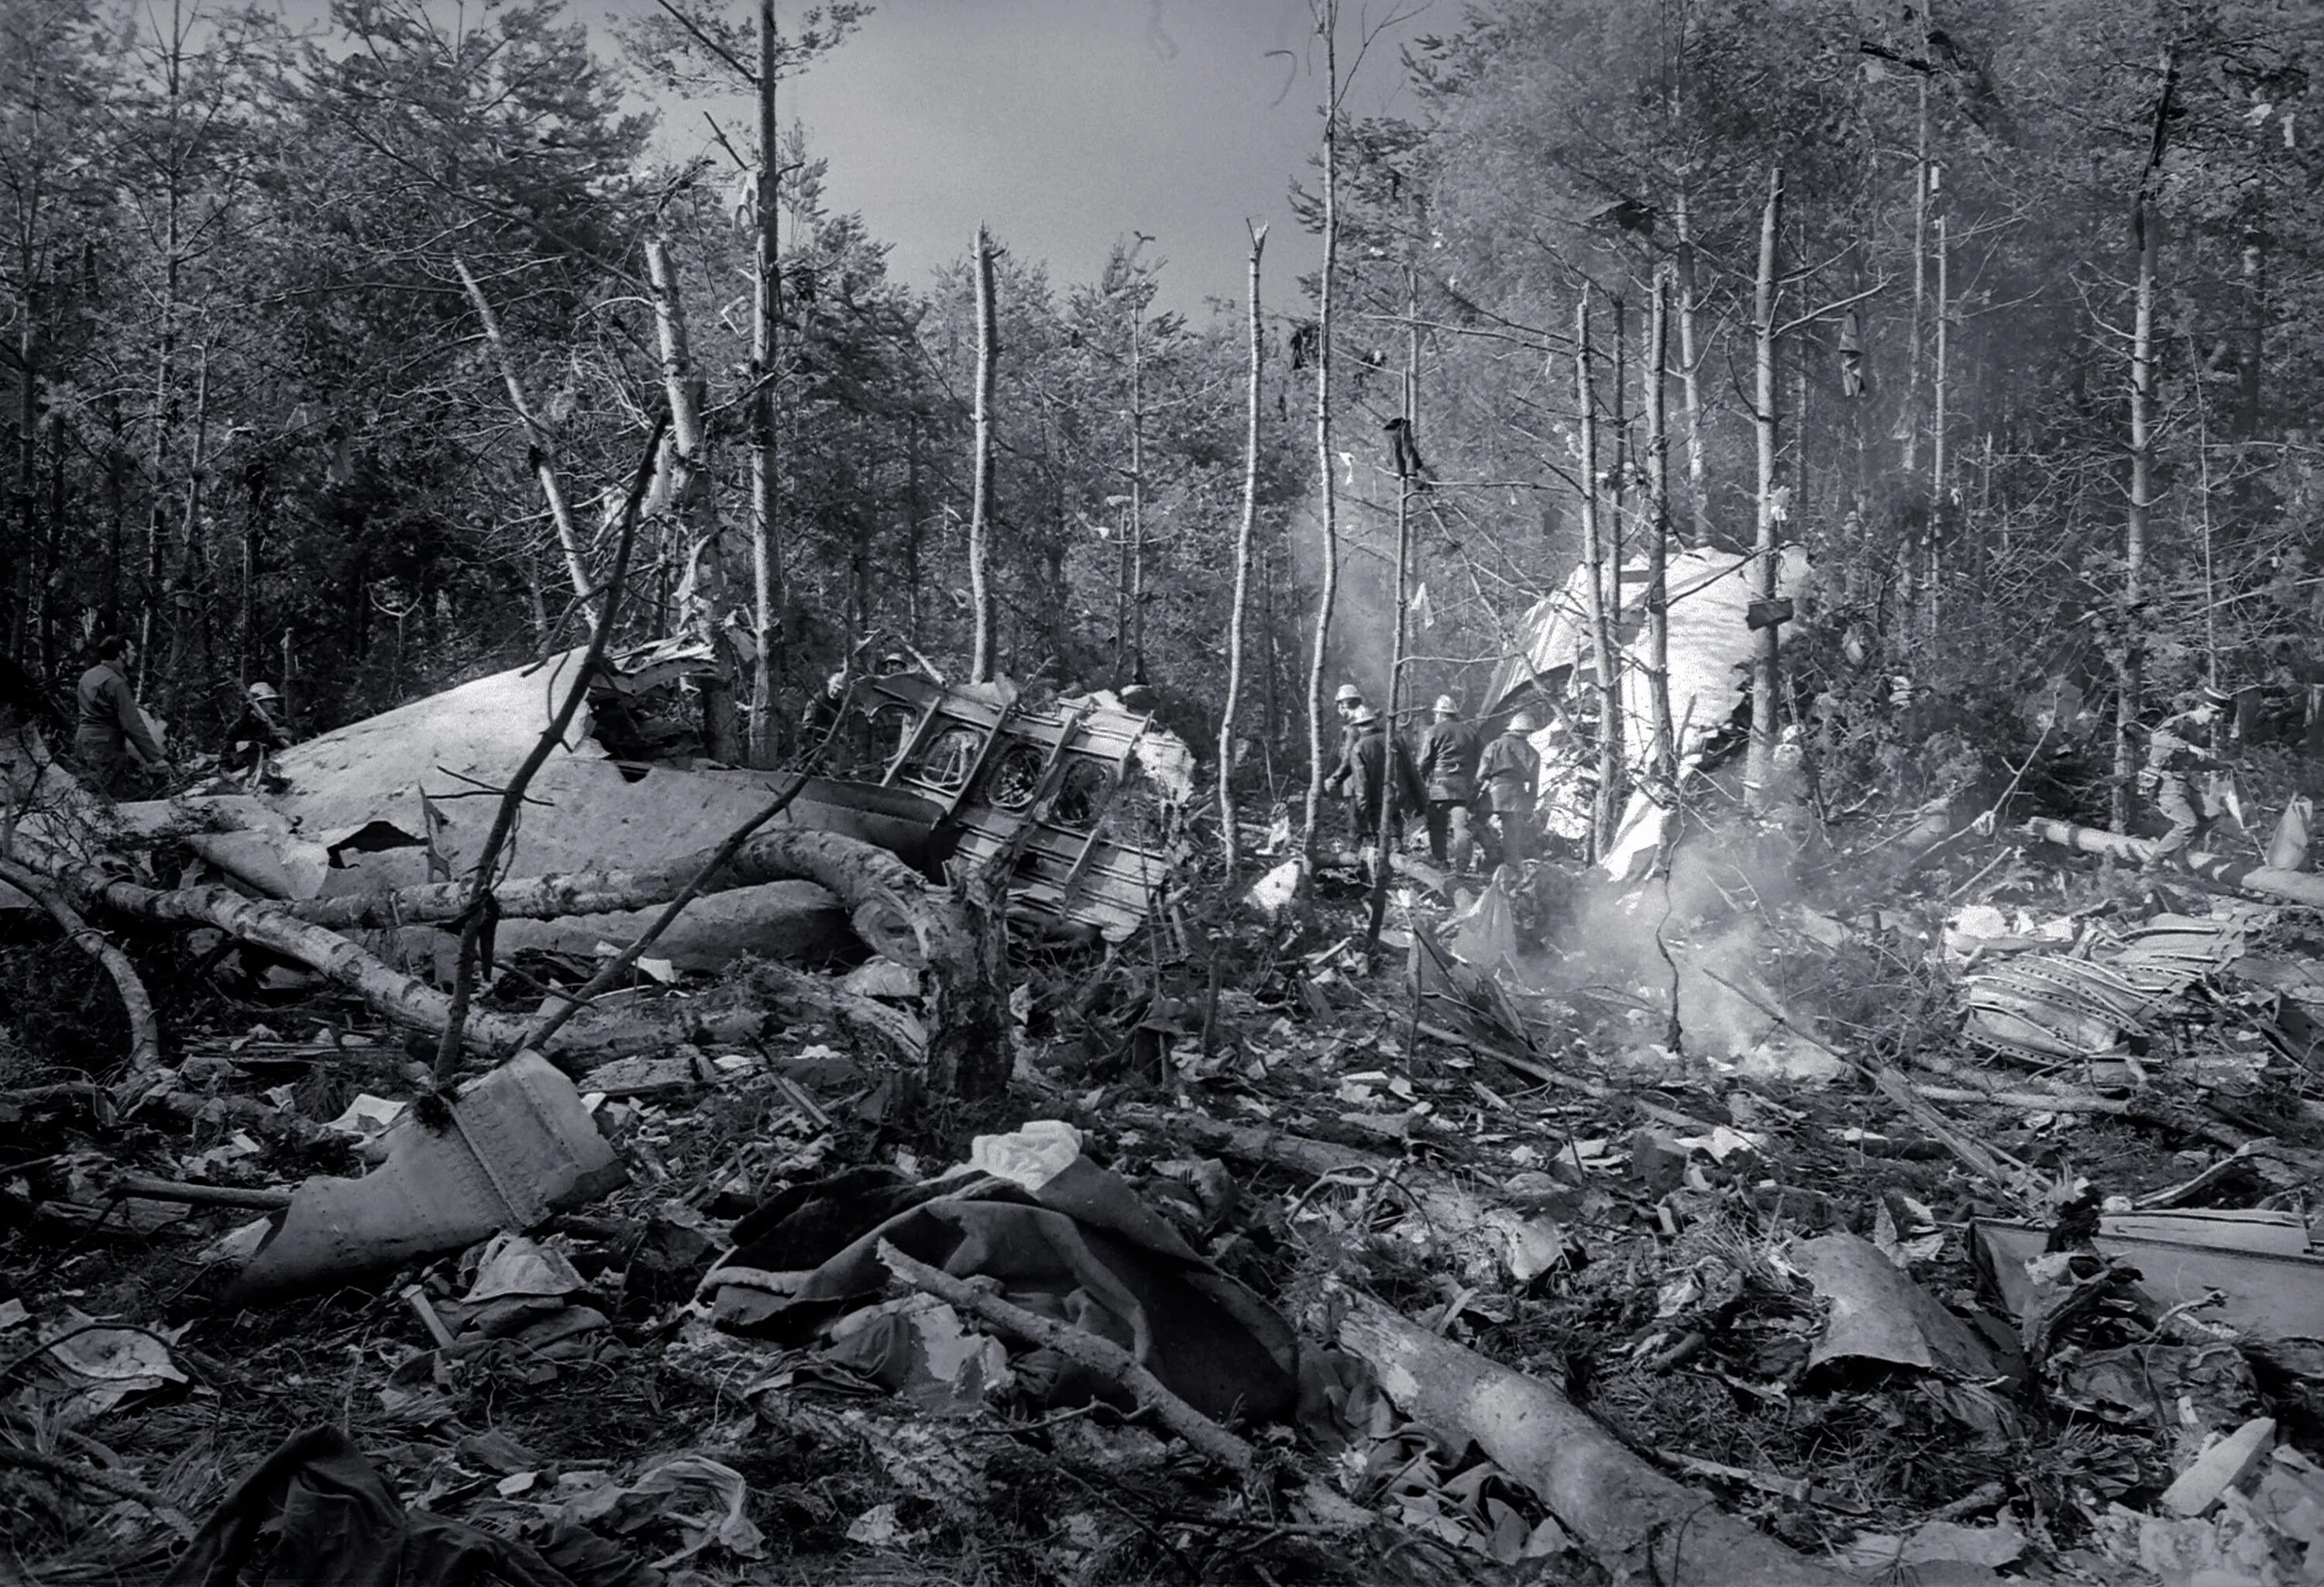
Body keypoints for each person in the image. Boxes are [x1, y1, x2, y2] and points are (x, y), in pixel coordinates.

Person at [2142, 690, 2230, 869]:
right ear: (2201, 707)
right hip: (2164, 783)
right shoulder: (2181, 722)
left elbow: (2193, 762)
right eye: (2214, 713)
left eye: (2220, 715)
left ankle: (2180, 853)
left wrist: (2221, 766)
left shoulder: (2196, 729)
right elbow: (2157, 738)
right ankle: (2154, 863)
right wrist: (2188, 746)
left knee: (2213, 813)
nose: (2216, 719)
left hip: (2183, 782)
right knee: (2187, 824)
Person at [75, 636, 168, 797]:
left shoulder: (88, 676)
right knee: (111, 798)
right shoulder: (115, 682)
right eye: (132, 650)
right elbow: (133, 724)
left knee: (88, 796)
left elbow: (95, 707)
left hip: (83, 741)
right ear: (121, 655)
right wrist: (156, 758)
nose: (135, 654)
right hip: (106, 746)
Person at [1344, 705, 1424, 866]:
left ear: (1359, 726)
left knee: (1379, 840)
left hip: (1375, 803)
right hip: (1398, 797)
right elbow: (1412, 772)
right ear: (1373, 721)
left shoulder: (1359, 748)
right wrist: (1421, 801)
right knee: (1395, 835)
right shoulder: (1395, 739)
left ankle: (1384, 869)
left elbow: (1361, 786)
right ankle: (1398, 856)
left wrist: (1361, 814)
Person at [1417, 694, 1480, 870]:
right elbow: (1478, 760)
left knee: (1437, 825)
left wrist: (1419, 782)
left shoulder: (1433, 731)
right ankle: (1462, 865)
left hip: (1440, 785)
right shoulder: (1470, 732)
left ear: (1440, 714)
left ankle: (1441, 861)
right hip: (1463, 786)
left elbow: (1424, 761)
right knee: (1461, 827)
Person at [1477, 711, 1542, 869]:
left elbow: (1481, 775)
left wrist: (1474, 796)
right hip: (1518, 795)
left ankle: (1491, 850)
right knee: (1511, 837)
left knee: (1474, 822)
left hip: (1495, 792)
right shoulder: (1533, 753)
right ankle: (1511, 871)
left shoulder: (1495, 746)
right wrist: (1530, 806)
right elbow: (1534, 785)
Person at [225, 681, 293, 788]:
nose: (275, 705)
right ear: (258, 704)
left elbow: (296, 735)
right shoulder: (238, 727)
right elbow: (227, 753)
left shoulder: (278, 720)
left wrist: (287, 732)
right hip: (245, 770)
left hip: (278, 766)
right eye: (270, 701)